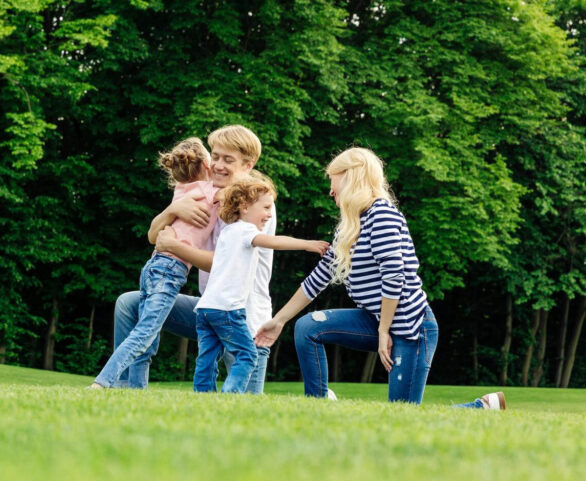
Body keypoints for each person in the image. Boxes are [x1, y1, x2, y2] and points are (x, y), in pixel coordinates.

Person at [254, 147, 507, 409]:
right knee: (308, 327)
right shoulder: (351, 226)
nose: (330, 190)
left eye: (334, 179)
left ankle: (481, 407)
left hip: (412, 329)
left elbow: (394, 275)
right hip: (377, 323)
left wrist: (385, 329)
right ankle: (319, 406)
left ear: (352, 177)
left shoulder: (382, 215)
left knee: (401, 417)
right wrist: (279, 320)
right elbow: (318, 277)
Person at [112, 125, 279, 391]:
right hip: (210, 310)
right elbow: (154, 235)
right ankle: (125, 389)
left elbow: (222, 264)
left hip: (244, 320)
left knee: (245, 412)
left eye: (228, 160)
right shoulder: (209, 195)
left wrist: (174, 246)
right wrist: (173, 210)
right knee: (129, 304)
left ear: (249, 164)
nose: (218, 166)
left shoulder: (255, 204)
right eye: (215, 156)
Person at [90, 138, 217, 389]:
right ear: (206, 164)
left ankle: (136, 391)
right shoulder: (208, 191)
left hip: (155, 267)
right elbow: (236, 190)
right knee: (145, 333)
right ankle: (103, 383)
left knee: (148, 337)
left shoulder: (181, 192)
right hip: (170, 269)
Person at [192, 176, 328, 392]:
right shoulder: (246, 231)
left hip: (206, 308)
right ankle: (231, 395)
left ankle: (202, 393)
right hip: (228, 309)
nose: (268, 214)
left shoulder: (227, 231)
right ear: (244, 207)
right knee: (247, 355)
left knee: (207, 357)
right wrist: (307, 244)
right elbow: (273, 242)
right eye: (265, 207)